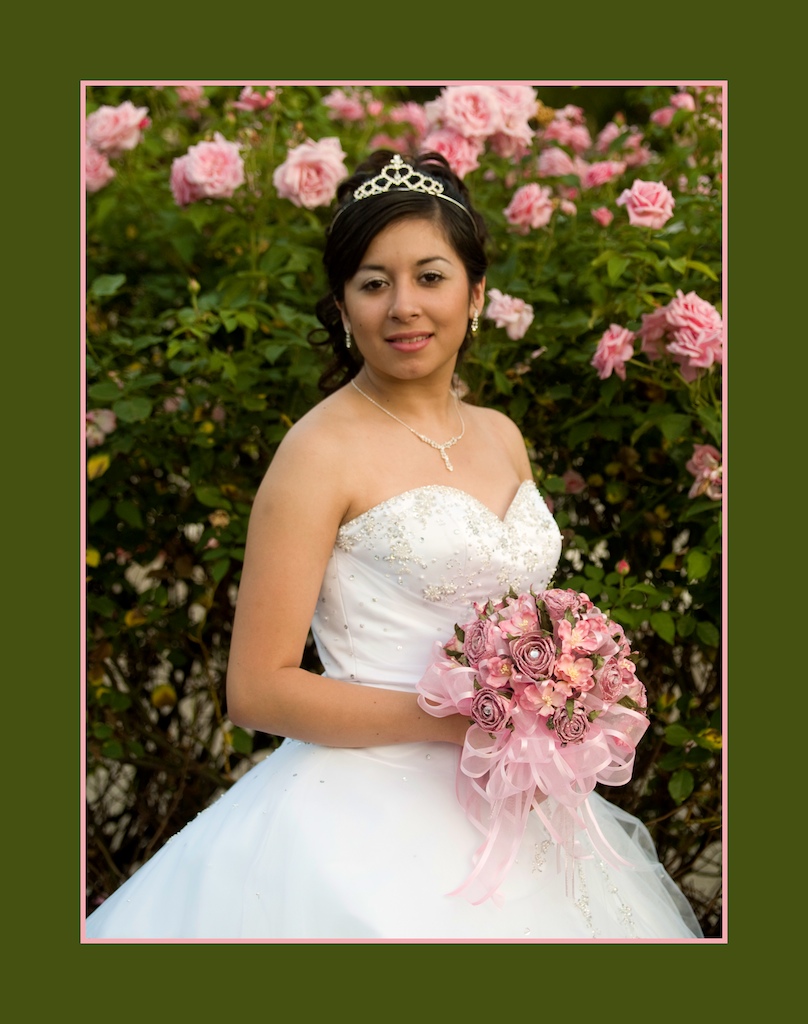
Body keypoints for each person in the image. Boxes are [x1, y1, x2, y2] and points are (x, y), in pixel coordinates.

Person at [85, 151, 703, 940]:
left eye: (430, 277)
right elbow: (257, 689)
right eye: (374, 283)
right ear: (343, 307)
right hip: (360, 820)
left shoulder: (502, 437)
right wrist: (459, 720)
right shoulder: (318, 451)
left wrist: (552, 692)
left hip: (521, 798)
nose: (404, 306)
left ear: (476, 293)